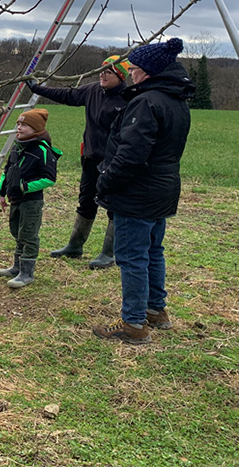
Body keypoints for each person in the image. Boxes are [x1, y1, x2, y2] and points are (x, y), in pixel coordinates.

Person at [93, 37, 193, 344]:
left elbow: (132, 154)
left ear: (148, 72)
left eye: (135, 69)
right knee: (152, 251)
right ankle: (155, 310)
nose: (132, 74)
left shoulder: (146, 102)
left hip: (137, 192)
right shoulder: (175, 100)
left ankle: (133, 324)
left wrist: (106, 181)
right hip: (162, 189)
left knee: (132, 256)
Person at [26, 55, 130, 269]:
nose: (102, 75)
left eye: (108, 72)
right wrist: (38, 88)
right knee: (86, 201)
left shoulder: (129, 99)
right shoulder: (92, 90)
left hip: (115, 163)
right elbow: (67, 95)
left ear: (120, 76)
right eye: (101, 70)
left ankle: (108, 253)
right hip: (91, 159)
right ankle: (75, 246)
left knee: (114, 206)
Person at [0, 108, 62, 288]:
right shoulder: (17, 147)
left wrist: (24, 187)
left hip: (31, 202)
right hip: (14, 200)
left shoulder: (42, 150)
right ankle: (16, 267)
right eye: (18, 124)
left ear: (35, 128)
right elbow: (7, 170)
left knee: (29, 235)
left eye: (24, 125)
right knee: (17, 232)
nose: (19, 128)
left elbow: (49, 178)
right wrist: (1, 192)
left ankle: (27, 273)